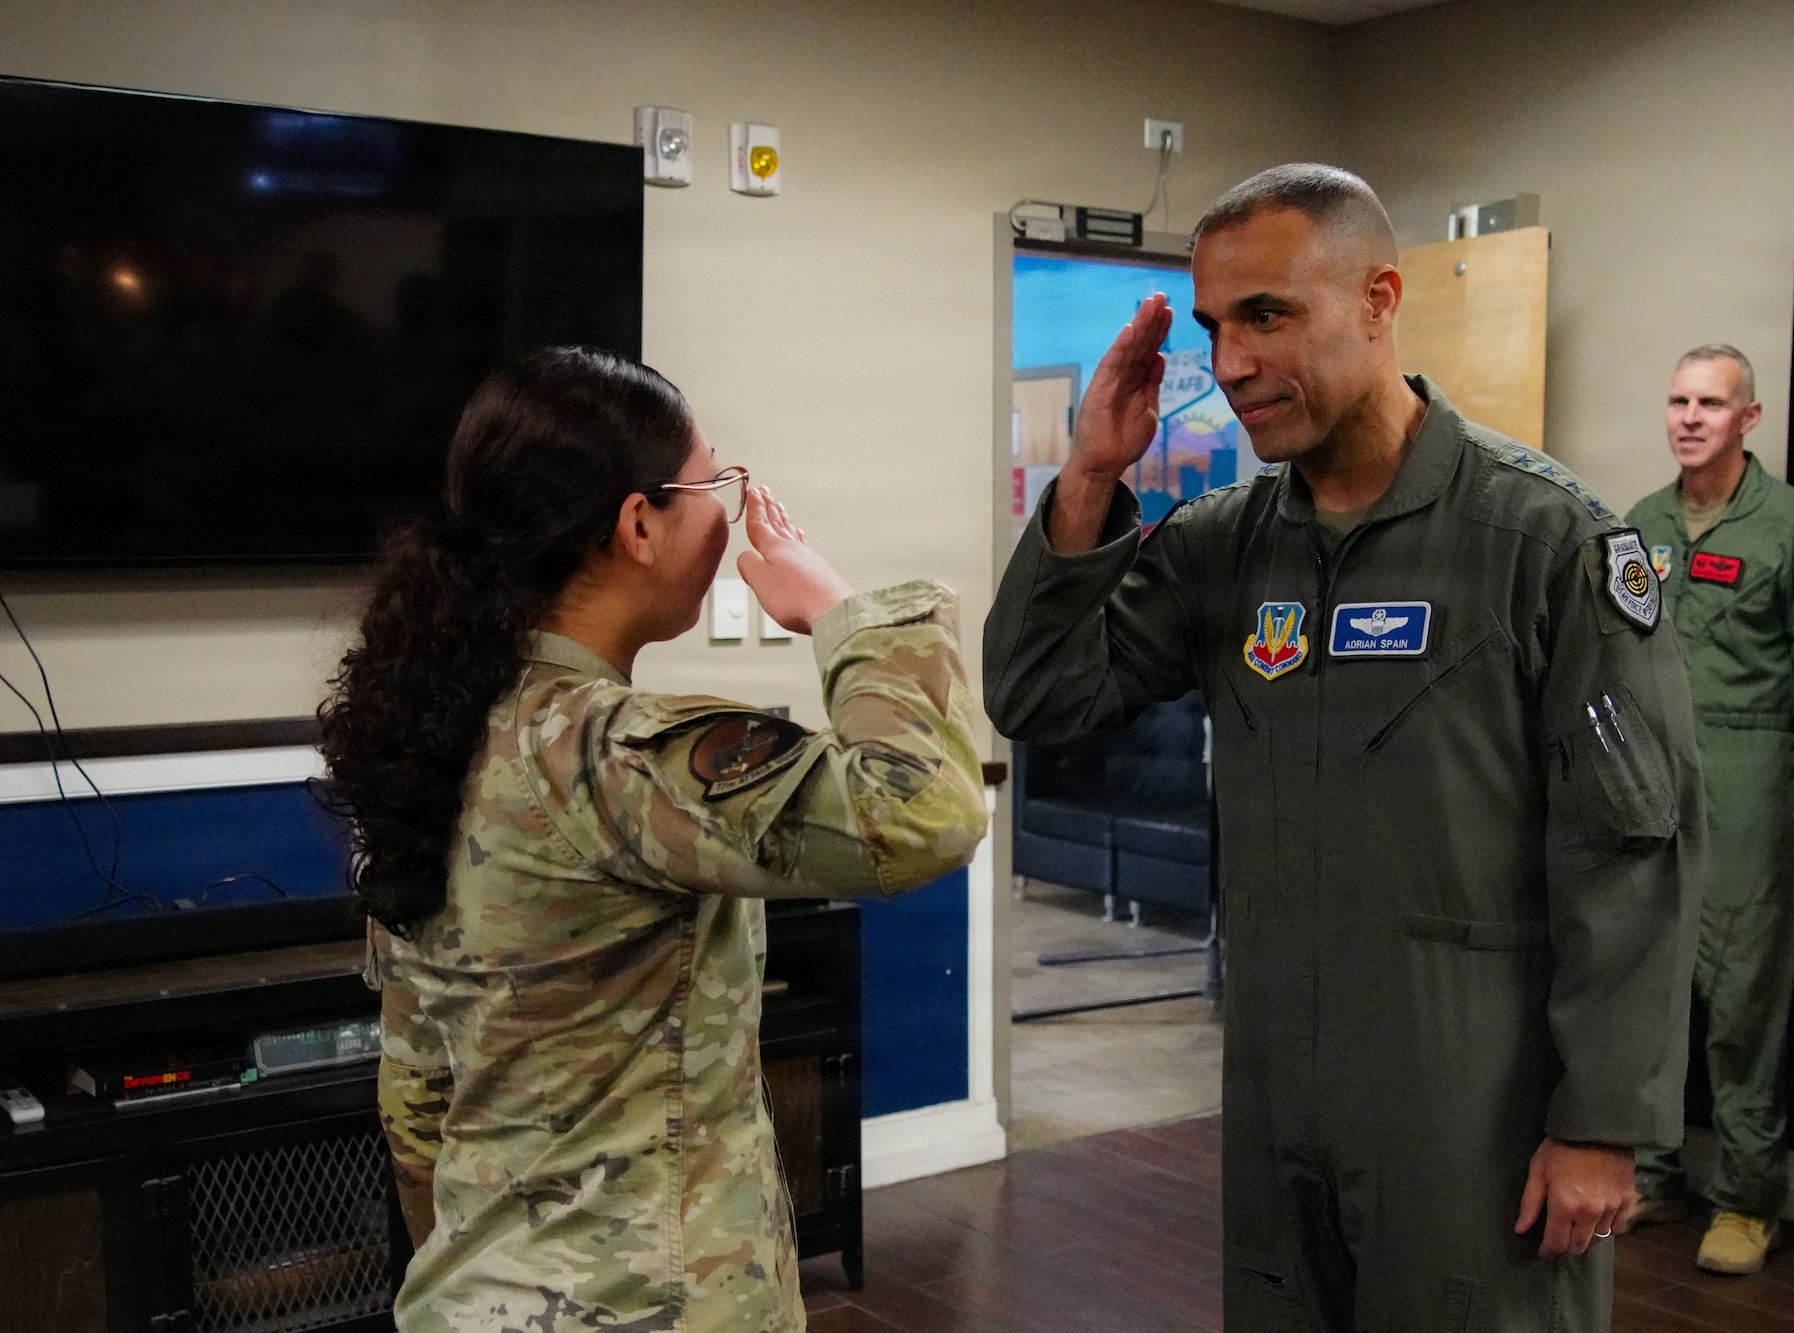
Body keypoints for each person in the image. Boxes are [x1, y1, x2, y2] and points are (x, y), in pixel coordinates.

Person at [983, 164, 1703, 1331]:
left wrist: (1600, 1122)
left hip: (1472, 1097)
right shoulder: (1223, 546)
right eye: (1213, 329)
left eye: (1266, 315)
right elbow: (1039, 692)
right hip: (1276, 1089)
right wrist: (1088, 477)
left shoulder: (1541, 541)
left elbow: (1629, 850)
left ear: (1376, 300)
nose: (1227, 366)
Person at [317, 347, 988, 1333]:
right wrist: (840, 611)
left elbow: (416, 1102)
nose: (728, 508)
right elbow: (923, 813)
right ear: (637, 522)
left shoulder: (436, 730)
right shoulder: (612, 749)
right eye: (712, 482)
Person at [1623, 346, 1794, 1273]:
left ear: (1748, 418)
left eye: (1712, 403)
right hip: (1653, 774)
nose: (1690, 417)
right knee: (1648, 986)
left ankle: (1748, 1199)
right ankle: (1650, 1170)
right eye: (1679, 400)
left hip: (1753, 774)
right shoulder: (1639, 524)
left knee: (1742, 1002)